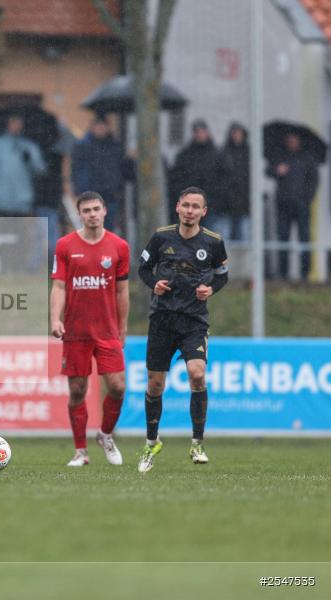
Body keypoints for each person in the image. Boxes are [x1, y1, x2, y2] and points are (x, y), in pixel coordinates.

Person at [136, 187, 229, 473]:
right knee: (155, 384)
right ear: (177, 207)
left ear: (204, 211)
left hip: (193, 321)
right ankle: (152, 443)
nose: (190, 210)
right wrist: (155, 284)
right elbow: (142, 268)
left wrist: (210, 289)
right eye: (186, 205)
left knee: (197, 374)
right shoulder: (161, 236)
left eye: (195, 206)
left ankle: (197, 443)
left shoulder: (213, 242)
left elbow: (223, 275)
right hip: (162, 319)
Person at [50, 191, 129, 467]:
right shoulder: (64, 245)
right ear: (80, 214)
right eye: (86, 211)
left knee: (118, 387)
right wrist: (54, 319)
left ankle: (105, 435)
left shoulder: (119, 246)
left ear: (105, 211)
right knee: (77, 391)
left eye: (96, 209)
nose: (92, 214)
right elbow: (58, 285)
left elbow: (122, 291)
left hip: (107, 331)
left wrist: (123, 328)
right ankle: (80, 451)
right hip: (76, 331)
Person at [0, 114, 47, 271]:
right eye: (13, 123)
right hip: (0, 200)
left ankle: (18, 266)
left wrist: (31, 161)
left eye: (18, 124)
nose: (15, 126)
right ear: (8, 124)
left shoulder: (29, 146)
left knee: (21, 237)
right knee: (2, 235)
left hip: (22, 201)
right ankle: (3, 265)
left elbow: (41, 170)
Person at [266, 132, 318, 281]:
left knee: (304, 239)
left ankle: (305, 273)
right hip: (283, 206)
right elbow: (268, 171)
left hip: (302, 206)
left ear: (299, 141)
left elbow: (314, 181)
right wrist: (277, 170)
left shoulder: (308, 159)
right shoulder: (280, 157)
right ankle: (283, 273)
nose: (292, 143)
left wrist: (306, 199)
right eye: (289, 140)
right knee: (283, 239)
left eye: (294, 140)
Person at [70, 116, 133, 233]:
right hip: (90, 194)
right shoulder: (84, 146)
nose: (101, 129)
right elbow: (77, 170)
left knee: (108, 228)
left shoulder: (115, 146)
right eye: (98, 126)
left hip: (110, 194)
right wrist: (79, 190)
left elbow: (124, 170)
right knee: (91, 228)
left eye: (103, 126)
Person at [168, 120, 231, 236]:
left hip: (212, 207)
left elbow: (225, 180)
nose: (200, 135)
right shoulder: (185, 155)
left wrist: (216, 199)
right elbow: (176, 179)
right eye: (197, 132)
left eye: (201, 131)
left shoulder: (217, 155)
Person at [221, 122, 250, 241]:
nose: (237, 135)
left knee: (243, 235)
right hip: (227, 202)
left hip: (245, 202)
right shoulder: (224, 153)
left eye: (239, 133)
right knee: (226, 236)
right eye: (234, 133)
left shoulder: (249, 153)